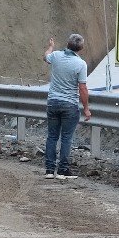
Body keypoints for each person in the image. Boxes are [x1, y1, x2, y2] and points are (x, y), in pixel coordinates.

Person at [42, 34, 91, 179]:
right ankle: (63, 170)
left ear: (67, 44)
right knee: (66, 138)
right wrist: (86, 108)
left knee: (52, 137)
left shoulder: (56, 56)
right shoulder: (81, 64)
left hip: (52, 102)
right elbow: (82, 88)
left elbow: (46, 57)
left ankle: (49, 170)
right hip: (69, 104)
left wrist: (50, 47)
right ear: (80, 48)